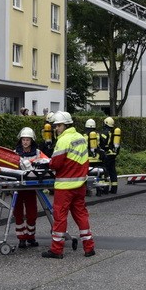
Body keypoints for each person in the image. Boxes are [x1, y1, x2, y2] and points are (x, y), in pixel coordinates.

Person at [43, 111, 95, 259]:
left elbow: (55, 164)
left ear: (66, 125)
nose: (56, 128)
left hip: (65, 186)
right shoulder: (81, 138)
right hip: (80, 185)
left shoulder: (63, 140)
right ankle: (89, 247)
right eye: (56, 126)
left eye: (58, 125)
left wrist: (49, 163)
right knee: (81, 215)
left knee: (60, 217)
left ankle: (56, 250)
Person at [13, 127, 41, 248]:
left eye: (27, 140)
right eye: (23, 140)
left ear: (32, 141)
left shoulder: (38, 153)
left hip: (31, 187)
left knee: (32, 214)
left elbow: (44, 164)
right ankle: (21, 238)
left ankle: (30, 236)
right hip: (18, 188)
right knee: (18, 213)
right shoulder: (14, 153)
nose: (25, 142)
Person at [100, 116, 121, 194]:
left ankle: (104, 189)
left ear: (106, 123)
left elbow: (103, 144)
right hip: (113, 154)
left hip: (107, 155)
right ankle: (114, 189)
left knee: (104, 172)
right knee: (112, 172)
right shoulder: (114, 132)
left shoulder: (104, 132)